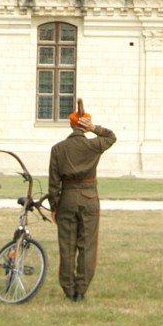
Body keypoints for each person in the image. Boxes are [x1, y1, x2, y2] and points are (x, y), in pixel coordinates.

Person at [45, 98, 116, 301]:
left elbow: (53, 182)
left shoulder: (58, 149)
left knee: (67, 245)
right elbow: (111, 137)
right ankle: (81, 290)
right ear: (84, 126)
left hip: (67, 197)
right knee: (87, 245)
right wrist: (94, 128)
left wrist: (54, 206)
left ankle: (68, 290)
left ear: (70, 124)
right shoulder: (94, 145)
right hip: (89, 196)